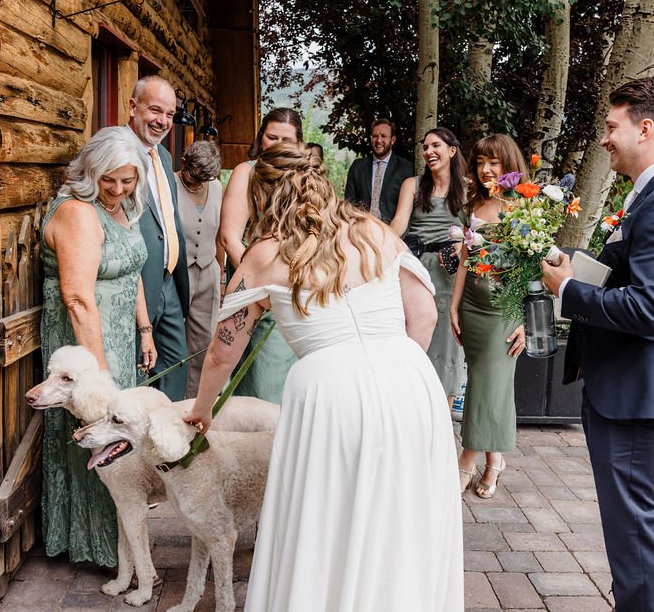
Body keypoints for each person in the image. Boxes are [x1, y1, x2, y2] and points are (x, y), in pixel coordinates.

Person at [185, 142, 463, 611]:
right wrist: (391, 374)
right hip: (411, 384)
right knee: (402, 510)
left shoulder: (263, 255)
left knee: (329, 515)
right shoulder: (375, 232)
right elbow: (425, 317)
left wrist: (202, 410)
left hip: (329, 394)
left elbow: (220, 354)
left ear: (265, 196)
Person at [542, 78, 654, 612]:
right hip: (621, 385)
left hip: (638, 393)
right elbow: (625, 279)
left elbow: (646, 309)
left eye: (611, 128)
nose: (604, 139)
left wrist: (569, 289)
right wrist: (572, 268)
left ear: (645, 127)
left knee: (633, 528)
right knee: (624, 524)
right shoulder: (649, 195)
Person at [39, 126, 155, 567]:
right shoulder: (78, 213)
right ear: (90, 170)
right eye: (110, 180)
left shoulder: (122, 208)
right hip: (85, 347)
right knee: (93, 432)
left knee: (117, 439)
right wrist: (99, 377)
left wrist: (145, 329)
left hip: (122, 338)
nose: (120, 189)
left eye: (128, 181)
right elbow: (78, 298)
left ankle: (123, 545)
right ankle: (95, 546)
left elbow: (132, 268)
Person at [450, 134, 528, 498]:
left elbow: (533, 270)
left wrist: (527, 322)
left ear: (508, 165)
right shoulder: (474, 205)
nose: (485, 170)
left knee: (487, 383)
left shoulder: (524, 208)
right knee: (486, 385)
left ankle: (467, 460)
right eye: (480, 162)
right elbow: (466, 258)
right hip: (472, 308)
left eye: (493, 162)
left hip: (504, 313)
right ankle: (495, 460)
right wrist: (454, 303)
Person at [217, 107, 303, 403]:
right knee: (262, 382)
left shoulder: (304, 180)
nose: (278, 144)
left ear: (299, 145)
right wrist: (263, 281)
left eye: (287, 140)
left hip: (297, 292)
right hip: (257, 289)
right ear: (260, 138)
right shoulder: (247, 173)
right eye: (271, 136)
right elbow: (230, 237)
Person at [390, 127, 467, 404]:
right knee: (411, 335)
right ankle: (410, 404)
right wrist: (377, 245)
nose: (428, 151)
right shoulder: (412, 184)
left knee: (447, 341)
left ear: (452, 151)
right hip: (416, 268)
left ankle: (442, 417)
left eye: (436, 145)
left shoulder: (468, 188)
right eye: (425, 147)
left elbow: (475, 233)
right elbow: (399, 224)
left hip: (450, 272)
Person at [128, 75, 190, 401]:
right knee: (139, 369)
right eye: (155, 111)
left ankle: (172, 442)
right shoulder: (116, 151)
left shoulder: (163, 156)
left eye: (169, 114)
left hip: (169, 280)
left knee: (177, 364)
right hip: (136, 282)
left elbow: (168, 218)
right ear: (132, 107)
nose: (163, 121)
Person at [175, 140, 224, 399]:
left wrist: (222, 275)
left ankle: (193, 402)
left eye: (206, 178)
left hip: (208, 270)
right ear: (184, 163)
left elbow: (220, 235)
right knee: (172, 342)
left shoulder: (216, 187)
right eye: (195, 177)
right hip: (174, 274)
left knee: (203, 344)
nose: (200, 184)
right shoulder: (169, 184)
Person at [343, 118, 414, 223]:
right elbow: (349, 204)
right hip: (361, 227)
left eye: (383, 136)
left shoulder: (405, 168)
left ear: (393, 140)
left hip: (392, 229)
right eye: (375, 136)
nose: (378, 140)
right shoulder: (357, 167)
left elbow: (408, 209)